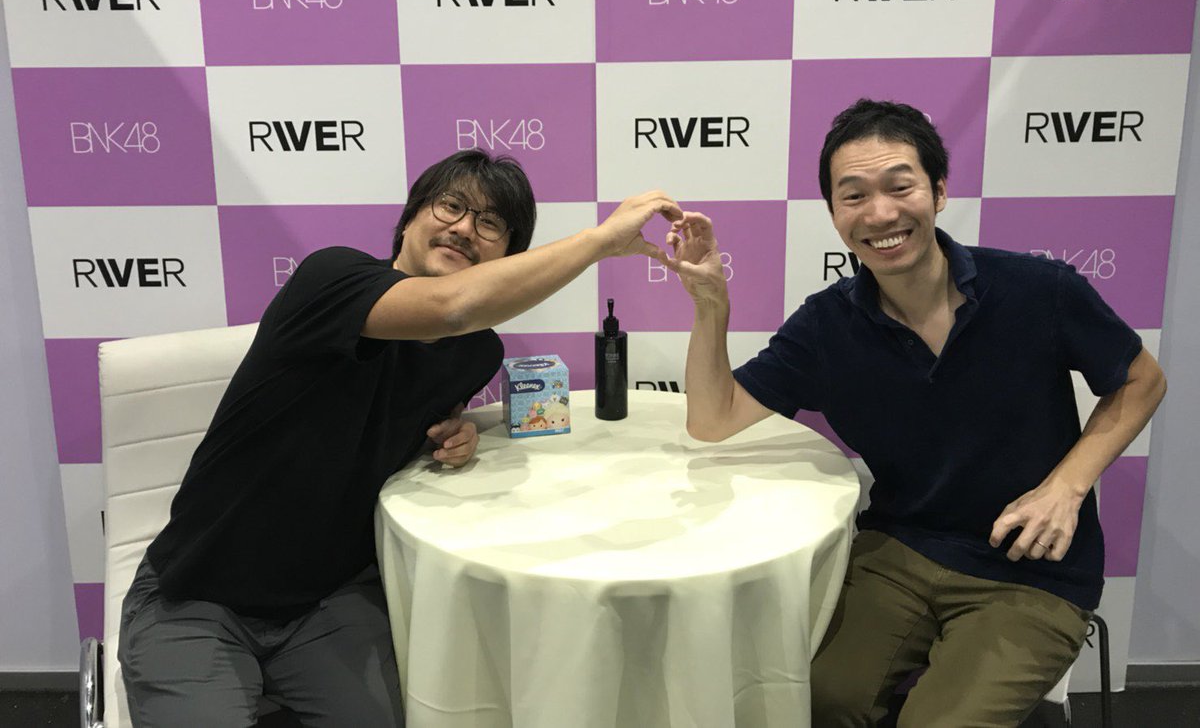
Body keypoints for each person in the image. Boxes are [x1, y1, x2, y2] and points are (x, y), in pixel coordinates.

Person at [118, 149, 681, 727]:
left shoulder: (476, 353)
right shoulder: (330, 279)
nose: (465, 228)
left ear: (506, 259)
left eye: (490, 223)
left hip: (329, 601)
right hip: (196, 594)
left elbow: (405, 406)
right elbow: (450, 309)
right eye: (451, 206)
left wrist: (455, 437)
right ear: (410, 219)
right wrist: (600, 241)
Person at [665, 99, 1166, 727]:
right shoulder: (826, 325)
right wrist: (710, 304)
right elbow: (713, 419)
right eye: (854, 196)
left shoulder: (1039, 290)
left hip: (1030, 570)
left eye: (900, 186)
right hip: (899, 552)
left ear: (939, 191)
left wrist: (1067, 487)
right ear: (834, 214)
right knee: (810, 703)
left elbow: (1143, 379)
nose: (880, 214)